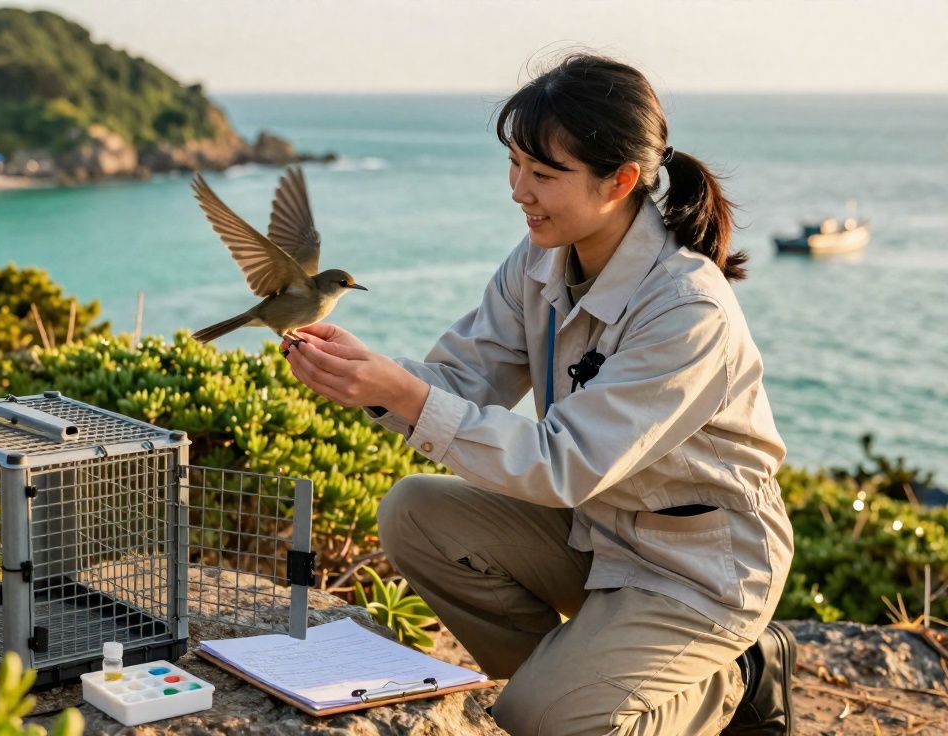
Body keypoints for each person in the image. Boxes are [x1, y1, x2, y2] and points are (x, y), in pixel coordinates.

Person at [281, 53, 796, 735]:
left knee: (540, 716)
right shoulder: (540, 259)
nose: (518, 190)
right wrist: (371, 376)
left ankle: (732, 684)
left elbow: (564, 462)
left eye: (544, 174)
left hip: (696, 567)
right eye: (515, 164)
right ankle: (580, 686)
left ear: (621, 181)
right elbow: (463, 380)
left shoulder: (686, 308)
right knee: (416, 512)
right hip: (596, 531)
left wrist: (405, 394)